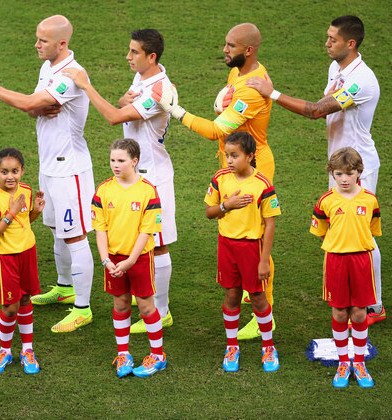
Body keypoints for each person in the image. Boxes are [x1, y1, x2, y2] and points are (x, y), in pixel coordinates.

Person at [247, 15, 385, 326]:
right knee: (341, 230)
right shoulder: (337, 67)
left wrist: (272, 93)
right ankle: (349, 296)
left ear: (350, 44)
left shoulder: (360, 80)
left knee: (361, 236)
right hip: (340, 165)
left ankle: (373, 305)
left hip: (358, 166)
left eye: (332, 39)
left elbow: (316, 110)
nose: (326, 43)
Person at [0, 15, 95, 333]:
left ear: (62, 43)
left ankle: (83, 307)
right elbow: (34, 105)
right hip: (51, 166)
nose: (36, 44)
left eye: (43, 40)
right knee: (54, 228)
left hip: (70, 170)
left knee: (74, 235)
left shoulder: (70, 75)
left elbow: (29, 104)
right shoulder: (48, 68)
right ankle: (64, 288)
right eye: (37, 38)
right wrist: (36, 105)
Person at [152, 23, 277, 339]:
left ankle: (266, 311)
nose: (225, 50)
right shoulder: (241, 73)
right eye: (225, 43)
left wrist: (175, 110)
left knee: (257, 237)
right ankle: (251, 289)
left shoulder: (251, 88)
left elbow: (216, 131)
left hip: (254, 167)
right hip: (234, 163)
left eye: (231, 46)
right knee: (236, 230)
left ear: (248, 50)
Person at [63, 29, 175, 334]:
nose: (128, 57)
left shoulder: (160, 90)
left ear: (151, 57)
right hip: (135, 174)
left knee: (159, 245)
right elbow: (124, 112)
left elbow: (113, 117)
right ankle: (156, 308)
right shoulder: (143, 78)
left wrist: (86, 86)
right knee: (143, 242)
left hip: (153, 177)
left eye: (134, 52)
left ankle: (161, 311)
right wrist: (122, 100)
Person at [205, 132, 280, 373]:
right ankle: (231, 346)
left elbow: (270, 224)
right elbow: (209, 212)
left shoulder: (263, 185)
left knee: (258, 297)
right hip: (226, 245)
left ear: (250, 156)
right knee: (232, 295)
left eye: (234, 155)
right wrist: (227, 206)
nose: (229, 160)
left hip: (252, 248)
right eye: (227, 155)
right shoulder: (220, 179)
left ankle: (268, 346)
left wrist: (264, 260)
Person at [93, 138, 167, 378]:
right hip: (113, 259)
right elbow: (100, 228)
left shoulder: (148, 191)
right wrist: (106, 260)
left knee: (146, 306)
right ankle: (123, 353)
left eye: (121, 160)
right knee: (120, 303)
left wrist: (130, 261)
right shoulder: (104, 190)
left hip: (139, 259)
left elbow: (147, 231)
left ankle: (158, 355)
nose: (115, 164)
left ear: (134, 161)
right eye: (113, 160)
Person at [310, 147, 380, 388]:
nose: (344, 179)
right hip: (336, 260)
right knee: (340, 312)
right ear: (332, 174)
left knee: (359, 312)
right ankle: (343, 362)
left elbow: (371, 228)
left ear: (358, 172)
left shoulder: (370, 199)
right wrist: (339, 244)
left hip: (361, 260)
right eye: (339, 174)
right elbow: (320, 231)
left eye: (349, 174)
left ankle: (359, 362)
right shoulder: (325, 201)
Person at [0, 148, 45, 375]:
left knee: (26, 298)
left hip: (27, 252)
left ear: (22, 171)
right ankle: (5, 350)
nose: (10, 176)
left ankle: (27, 350)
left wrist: (35, 211)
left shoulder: (26, 190)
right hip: (5, 257)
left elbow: (25, 221)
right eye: (5, 172)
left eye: (15, 171)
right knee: (10, 307)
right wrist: (10, 212)